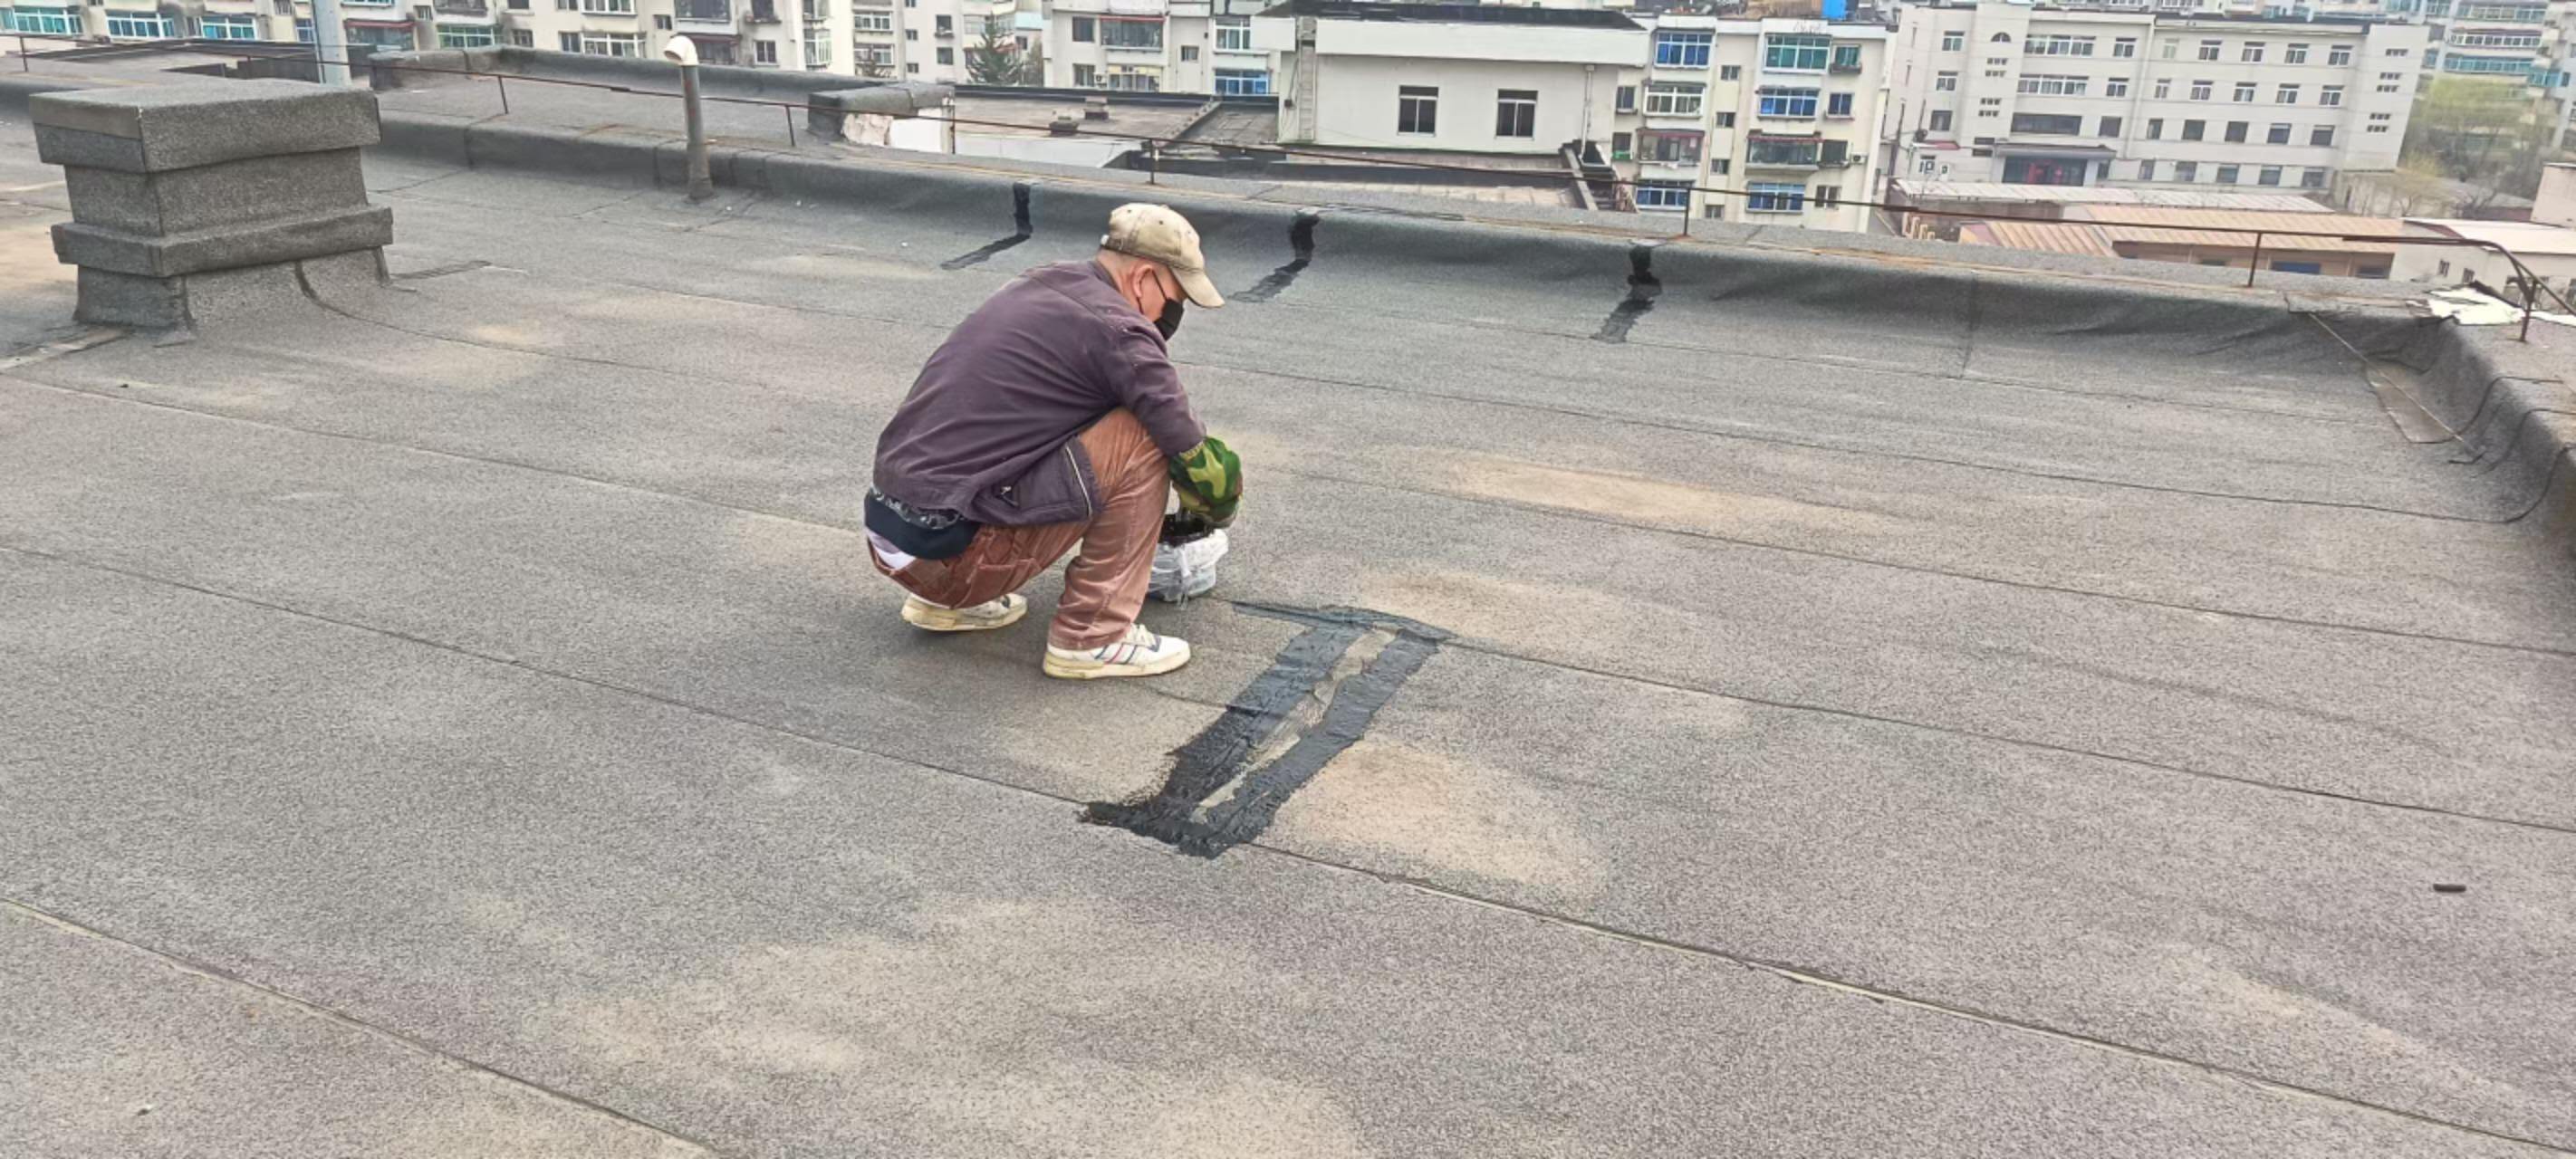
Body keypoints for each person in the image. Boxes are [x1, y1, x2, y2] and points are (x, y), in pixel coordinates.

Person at [866, 204, 1242, 680]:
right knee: (1143, 435)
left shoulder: (1043, 283)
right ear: (1144, 277)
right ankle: (1094, 635)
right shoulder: (1121, 332)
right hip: (953, 557)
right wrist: (1208, 516)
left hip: (896, 537)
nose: (1174, 313)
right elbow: (1195, 457)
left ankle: (944, 604)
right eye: (1176, 297)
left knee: (1059, 418)